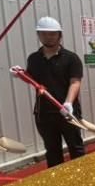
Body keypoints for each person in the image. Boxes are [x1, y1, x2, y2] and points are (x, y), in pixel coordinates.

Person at [21, 17, 85, 168]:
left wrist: (68, 103)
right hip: (44, 113)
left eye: (52, 34)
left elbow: (75, 82)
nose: (48, 37)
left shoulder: (71, 58)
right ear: (38, 35)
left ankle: (83, 178)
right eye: (43, 33)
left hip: (68, 112)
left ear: (59, 35)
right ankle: (56, 179)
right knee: (52, 150)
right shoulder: (34, 58)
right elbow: (33, 81)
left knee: (76, 148)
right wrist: (21, 74)